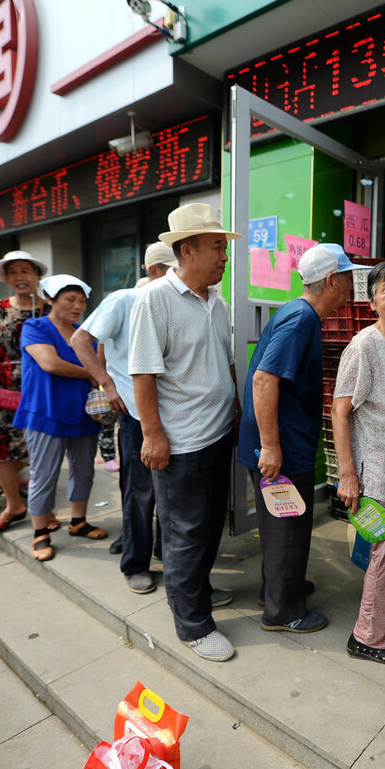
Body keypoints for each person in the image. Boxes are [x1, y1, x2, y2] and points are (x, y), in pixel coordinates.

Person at [128, 207, 241, 661]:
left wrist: (234, 406)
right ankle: (192, 624)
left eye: (225, 247)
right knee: (184, 533)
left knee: (211, 526)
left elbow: (224, 362)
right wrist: (153, 435)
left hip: (216, 434)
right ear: (186, 250)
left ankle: (197, 591)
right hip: (181, 442)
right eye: (217, 247)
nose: (224, 256)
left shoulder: (218, 302)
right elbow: (143, 374)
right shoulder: (154, 299)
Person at [238, 242, 359, 636]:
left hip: (282, 442)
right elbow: (263, 380)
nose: (352, 283)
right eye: (348, 276)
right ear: (332, 281)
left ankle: (276, 588)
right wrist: (272, 446)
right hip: (281, 447)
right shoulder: (300, 319)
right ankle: (283, 611)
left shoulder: (298, 312)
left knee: (280, 528)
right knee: (287, 527)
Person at [72, 241, 177, 593]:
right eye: (174, 268)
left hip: (174, 412)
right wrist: (107, 384)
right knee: (140, 490)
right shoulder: (123, 300)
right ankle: (135, 562)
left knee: (169, 489)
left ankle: (163, 549)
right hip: (135, 412)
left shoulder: (176, 300)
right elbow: (81, 340)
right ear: (155, 270)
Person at [333, 261, 385, 665]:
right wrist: (347, 474)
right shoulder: (365, 346)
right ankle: (368, 637)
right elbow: (339, 410)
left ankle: (384, 616)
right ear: (371, 302)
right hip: (378, 475)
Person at [15, 274, 104, 561]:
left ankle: (78, 521)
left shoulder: (84, 334)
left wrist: (98, 373)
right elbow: (50, 363)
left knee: (84, 470)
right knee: (44, 474)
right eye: (70, 299)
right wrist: (94, 373)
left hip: (82, 412)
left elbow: (100, 367)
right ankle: (40, 532)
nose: (77, 306)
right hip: (45, 411)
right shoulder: (35, 326)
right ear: (50, 300)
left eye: (82, 301)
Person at [0, 250, 51, 533]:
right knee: (0, 450)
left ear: (37, 276)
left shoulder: (50, 308)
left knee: (44, 451)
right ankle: (13, 505)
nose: (19, 277)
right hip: (7, 390)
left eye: (25, 271)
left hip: (45, 390)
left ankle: (42, 510)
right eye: (13, 272)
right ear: (6, 278)